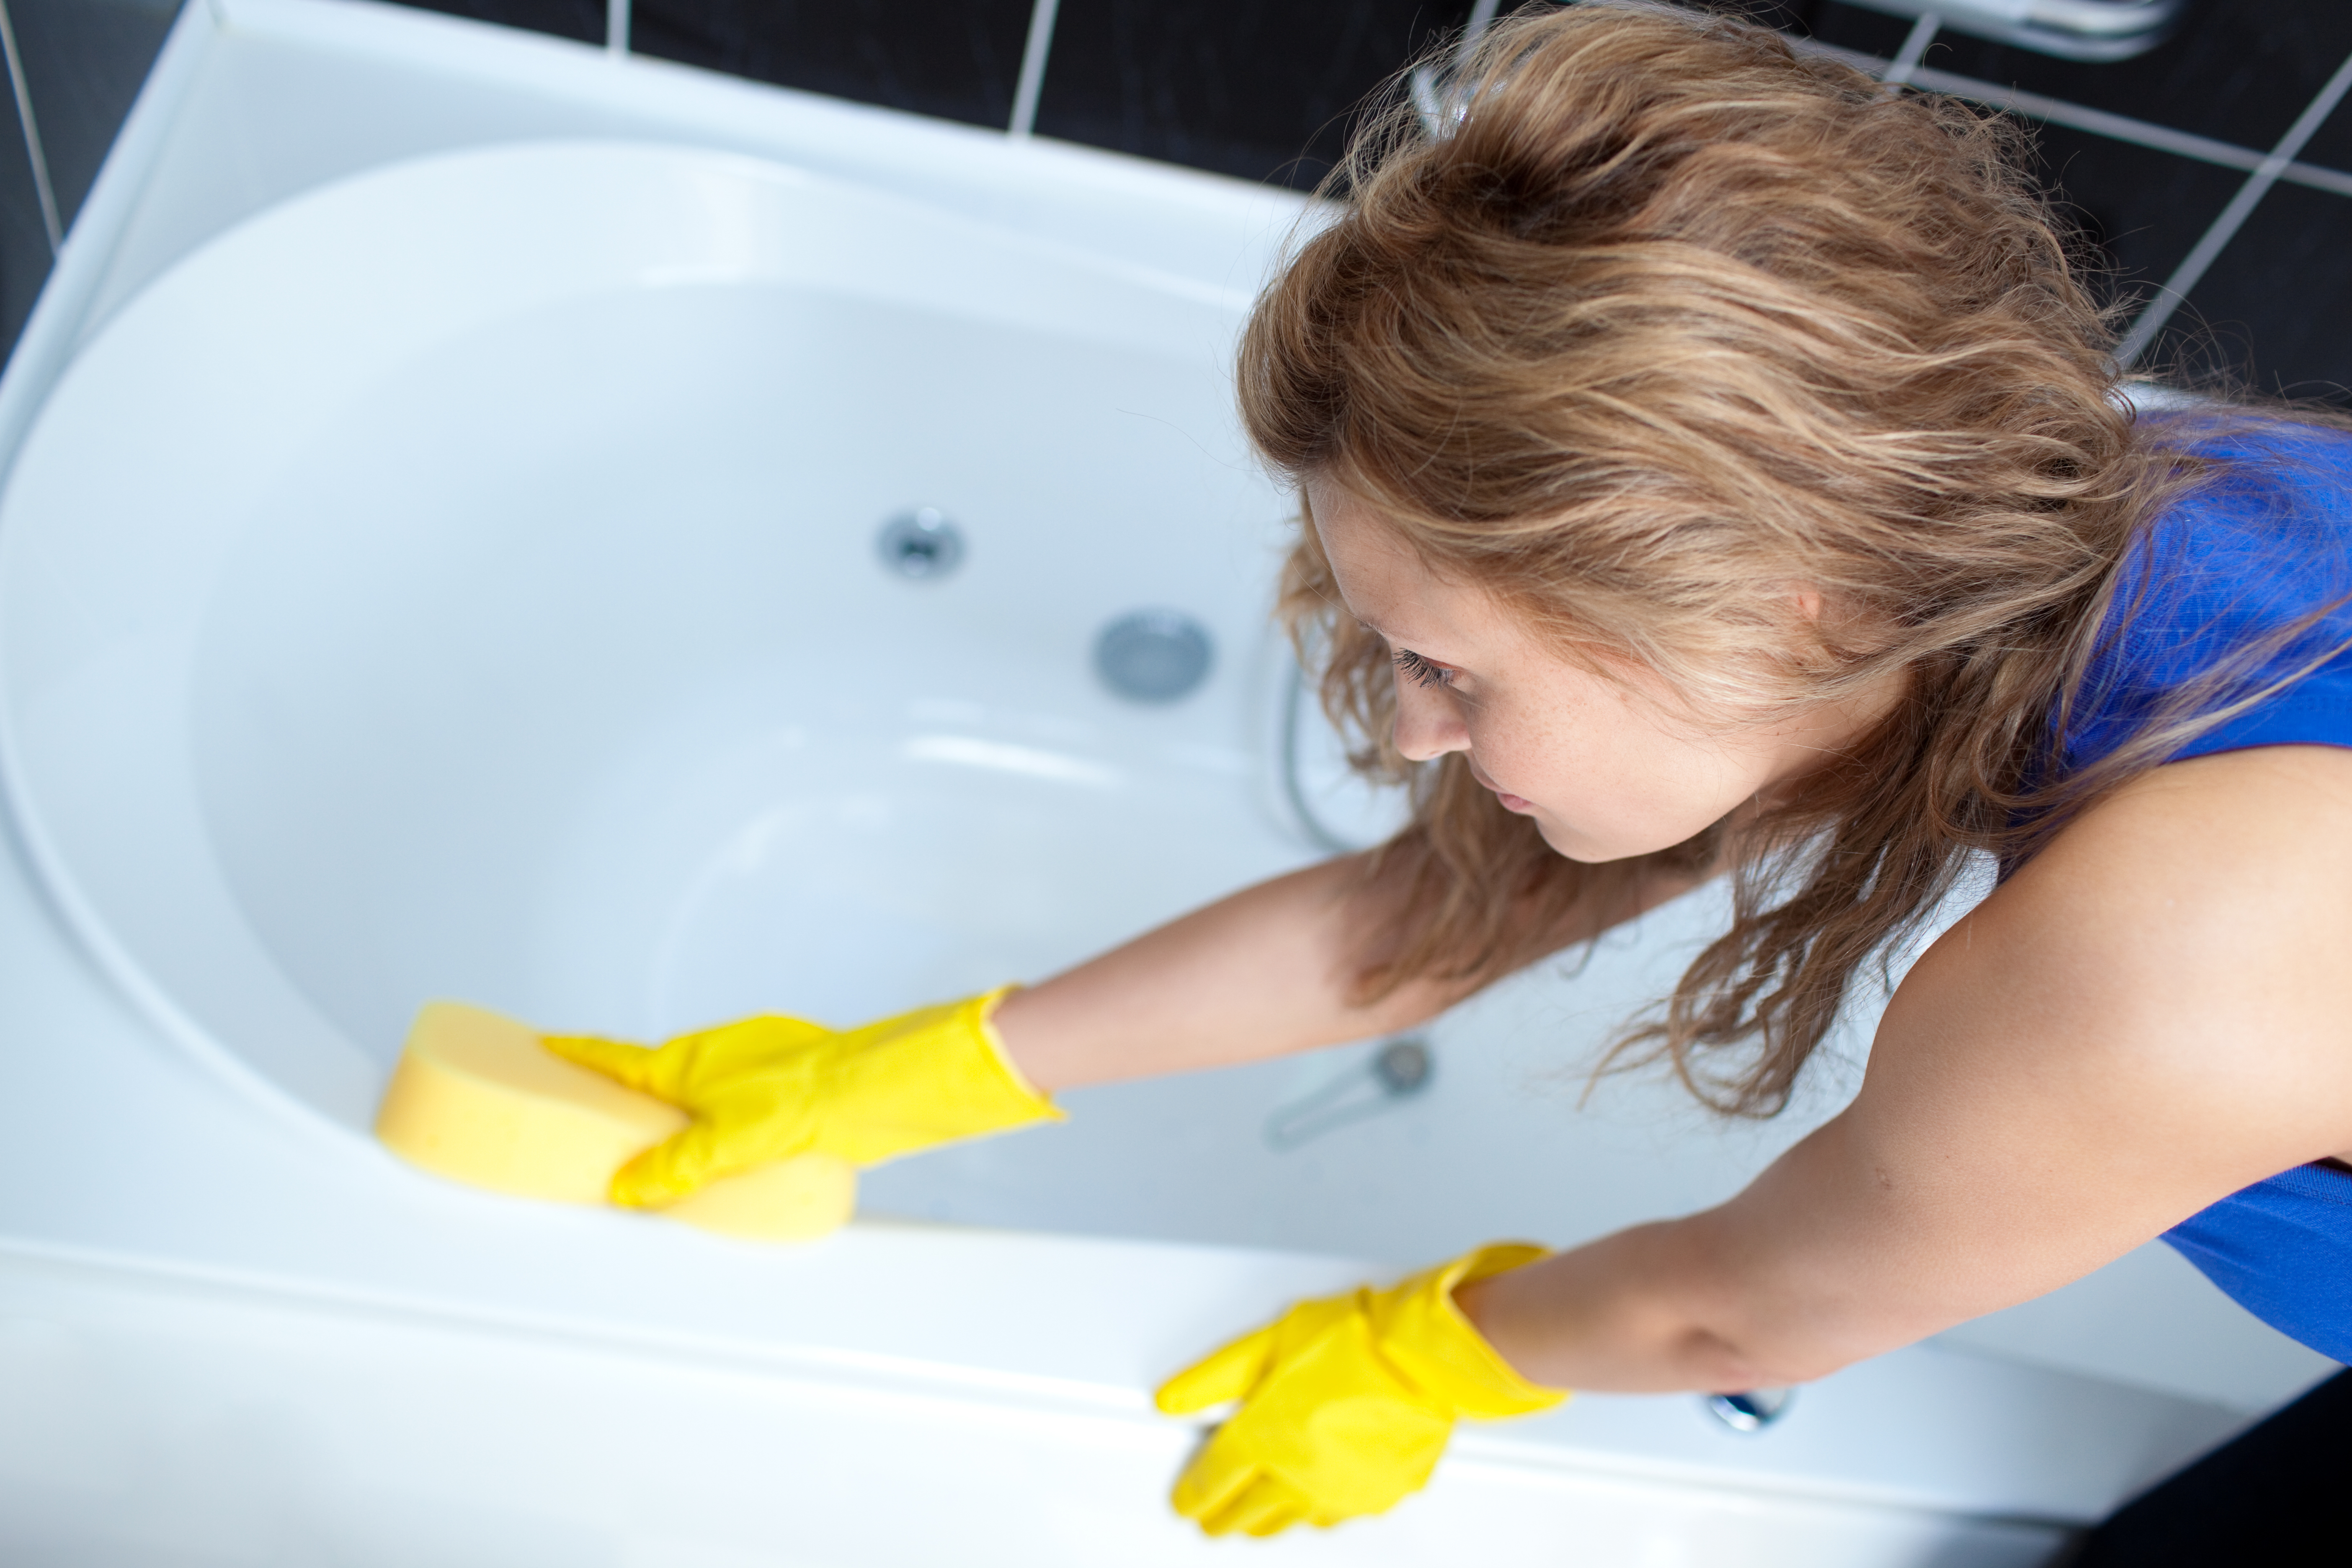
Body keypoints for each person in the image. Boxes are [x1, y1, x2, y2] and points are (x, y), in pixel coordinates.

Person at [545, 2, 2352, 1549]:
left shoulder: (2185, 956)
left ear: (1768, 608)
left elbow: (1741, 1311)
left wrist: (1426, 1348)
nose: (1410, 732)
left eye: (1448, 669)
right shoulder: (1993, 536)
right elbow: (1442, 907)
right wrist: (920, 1073)